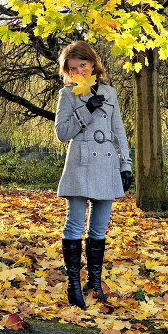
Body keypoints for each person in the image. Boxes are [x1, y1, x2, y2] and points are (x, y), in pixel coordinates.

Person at [54, 41, 133, 309]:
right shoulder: (67, 95)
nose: (78, 72)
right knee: (74, 225)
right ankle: (73, 285)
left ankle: (95, 283)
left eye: (83, 66)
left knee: (99, 228)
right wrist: (85, 110)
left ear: (93, 64)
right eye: (72, 68)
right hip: (80, 162)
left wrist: (126, 164)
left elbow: (118, 129)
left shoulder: (110, 92)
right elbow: (62, 134)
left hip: (108, 164)